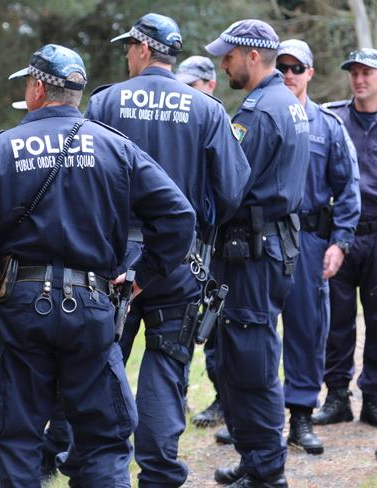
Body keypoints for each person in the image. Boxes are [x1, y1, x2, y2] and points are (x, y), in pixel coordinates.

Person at [0, 43, 196, 487]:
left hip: (21, 308)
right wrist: (142, 275)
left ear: (38, 88)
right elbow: (178, 215)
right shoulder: (115, 147)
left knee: (19, 437)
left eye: (26, 82)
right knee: (103, 439)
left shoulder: (3, 149)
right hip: (93, 308)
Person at [85, 13, 251, 488]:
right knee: (166, 362)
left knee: (101, 363)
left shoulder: (105, 102)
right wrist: (198, 219)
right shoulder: (206, 109)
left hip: (111, 261)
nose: (125, 56)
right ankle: (159, 474)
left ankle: (98, 469)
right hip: (179, 259)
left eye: (127, 48)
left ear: (141, 48)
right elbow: (233, 189)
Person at [205, 20, 310, 488]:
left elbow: (230, 188)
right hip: (265, 245)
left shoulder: (261, 112)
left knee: (253, 362)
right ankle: (254, 459)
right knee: (242, 357)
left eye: (227, 55)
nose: (222, 63)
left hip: (253, 250)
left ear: (251, 56)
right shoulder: (284, 103)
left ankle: (268, 472)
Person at [313, 48, 377, 429]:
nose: (359, 79)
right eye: (354, 72)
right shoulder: (331, 117)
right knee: (335, 319)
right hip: (339, 232)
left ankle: (374, 397)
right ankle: (337, 395)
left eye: (368, 72)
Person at [275, 39, 360, 455]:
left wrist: (340, 242)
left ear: (310, 72)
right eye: (282, 67)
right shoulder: (256, 118)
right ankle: (251, 418)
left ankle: (301, 417)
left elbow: (348, 188)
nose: (288, 74)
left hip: (309, 241)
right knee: (250, 330)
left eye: (296, 68)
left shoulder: (327, 126)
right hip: (263, 239)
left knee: (308, 330)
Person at [174, 53, 227, 430]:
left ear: (210, 84)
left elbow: (229, 184)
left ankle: (223, 397)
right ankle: (176, 400)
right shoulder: (181, 120)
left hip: (210, 239)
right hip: (181, 242)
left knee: (207, 323)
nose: (186, 93)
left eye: (193, 86)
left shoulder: (215, 118)